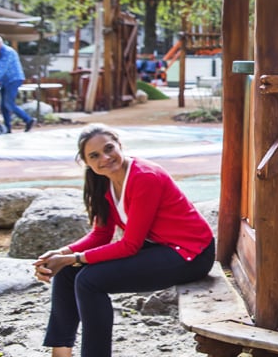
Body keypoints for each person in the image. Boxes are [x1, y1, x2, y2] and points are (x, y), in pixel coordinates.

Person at [33, 123, 215, 357]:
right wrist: (62, 253)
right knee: (69, 272)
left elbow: (131, 245)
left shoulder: (144, 177)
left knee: (89, 280)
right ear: (86, 162)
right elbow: (101, 235)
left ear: (120, 145)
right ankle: (60, 352)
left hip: (192, 254)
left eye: (109, 148)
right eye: (95, 155)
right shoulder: (103, 181)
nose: (105, 158)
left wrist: (72, 258)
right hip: (161, 247)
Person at [0, 34, 35, 133]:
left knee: (8, 103)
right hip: (4, 81)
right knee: (3, 105)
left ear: (0, 43)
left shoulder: (8, 52)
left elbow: (2, 68)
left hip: (14, 79)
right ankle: (7, 128)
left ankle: (28, 120)